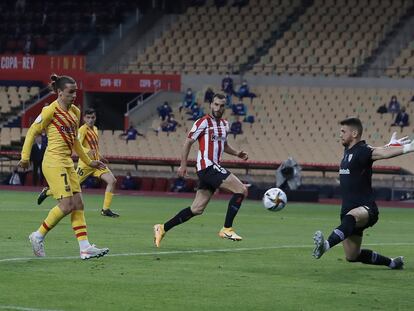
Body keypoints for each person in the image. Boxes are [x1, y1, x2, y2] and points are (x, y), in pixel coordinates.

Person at [18, 74, 109, 260]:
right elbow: (32, 131)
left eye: (75, 91)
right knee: (67, 205)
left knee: (78, 204)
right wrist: (25, 157)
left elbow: (75, 141)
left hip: (67, 162)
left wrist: (89, 161)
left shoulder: (75, 112)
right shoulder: (49, 110)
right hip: (53, 162)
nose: (74, 95)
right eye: (70, 92)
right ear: (59, 93)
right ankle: (38, 236)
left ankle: (85, 248)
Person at [312, 117, 414, 269]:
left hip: (366, 209)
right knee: (352, 256)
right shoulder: (349, 151)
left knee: (350, 217)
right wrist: (389, 145)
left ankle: (325, 246)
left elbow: (381, 154)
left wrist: (409, 147)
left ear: (354, 133)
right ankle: (392, 263)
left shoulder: (362, 151)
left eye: (343, 131)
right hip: (348, 211)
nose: (340, 134)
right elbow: (377, 151)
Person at [153, 93, 249, 247]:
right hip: (207, 166)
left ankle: (162, 228)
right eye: (216, 104)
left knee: (196, 209)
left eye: (221, 105)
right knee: (242, 190)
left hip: (211, 169)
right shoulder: (202, 122)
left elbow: (223, 145)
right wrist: (183, 165)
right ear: (211, 104)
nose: (218, 108)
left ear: (225, 106)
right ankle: (227, 228)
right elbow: (188, 143)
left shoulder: (225, 124)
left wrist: (237, 153)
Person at [37, 108, 120, 217]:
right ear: (84, 118)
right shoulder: (82, 130)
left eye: (93, 117)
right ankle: (47, 192)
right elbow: (77, 146)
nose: (90, 120)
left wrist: (101, 157)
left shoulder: (95, 129)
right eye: (88, 118)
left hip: (96, 164)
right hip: (85, 165)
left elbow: (94, 147)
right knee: (70, 188)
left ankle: (105, 209)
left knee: (112, 181)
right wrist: (88, 151)